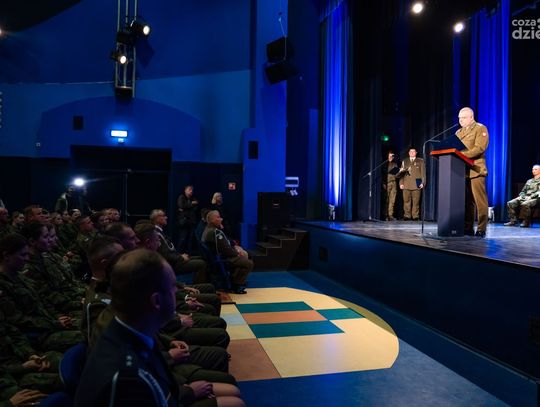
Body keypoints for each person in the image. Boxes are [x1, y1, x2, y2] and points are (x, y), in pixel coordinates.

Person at [75, 249, 244, 407]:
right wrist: (188, 392)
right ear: (156, 301)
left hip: (168, 390)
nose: (176, 292)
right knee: (235, 402)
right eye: (172, 288)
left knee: (232, 392)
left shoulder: (128, 329)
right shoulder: (128, 377)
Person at [456, 107, 489, 237]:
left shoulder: (480, 128)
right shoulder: (458, 132)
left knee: (480, 201)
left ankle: (481, 228)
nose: (461, 120)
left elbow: (479, 148)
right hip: (462, 170)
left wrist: (460, 155)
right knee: (466, 202)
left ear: (471, 117)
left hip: (476, 169)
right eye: (459, 118)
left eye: (463, 118)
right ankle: (467, 227)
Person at [202, 211, 252, 294]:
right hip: (221, 260)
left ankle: (234, 281)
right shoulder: (215, 232)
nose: (221, 219)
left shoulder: (208, 229)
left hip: (216, 258)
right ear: (212, 220)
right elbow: (226, 250)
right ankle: (236, 285)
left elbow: (225, 245)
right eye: (218, 217)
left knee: (245, 256)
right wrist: (237, 253)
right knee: (248, 263)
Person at [398, 148, 425, 221]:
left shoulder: (420, 161)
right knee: (406, 201)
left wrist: (423, 182)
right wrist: (401, 183)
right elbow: (401, 174)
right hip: (406, 184)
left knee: (416, 202)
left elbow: (423, 173)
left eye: (413, 151)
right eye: (411, 151)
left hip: (416, 184)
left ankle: (415, 216)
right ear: (409, 153)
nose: (412, 153)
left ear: (416, 153)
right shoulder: (405, 161)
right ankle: (407, 215)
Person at [177, 185, 199, 255]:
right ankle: (180, 254)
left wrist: (185, 208)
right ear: (185, 190)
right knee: (183, 238)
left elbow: (195, 208)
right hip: (184, 221)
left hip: (192, 221)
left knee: (191, 239)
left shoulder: (194, 198)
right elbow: (181, 205)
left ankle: (189, 254)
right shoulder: (181, 197)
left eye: (192, 190)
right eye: (189, 189)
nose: (191, 191)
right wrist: (191, 203)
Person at [383, 151, 399, 221]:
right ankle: (385, 215)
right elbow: (382, 174)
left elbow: (397, 174)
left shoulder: (395, 164)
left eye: (392, 156)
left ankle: (390, 215)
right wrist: (383, 183)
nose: (391, 157)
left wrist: (400, 171)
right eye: (389, 156)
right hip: (387, 183)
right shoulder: (384, 164)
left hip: (394, 183)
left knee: (392, 200)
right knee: (386, 200)